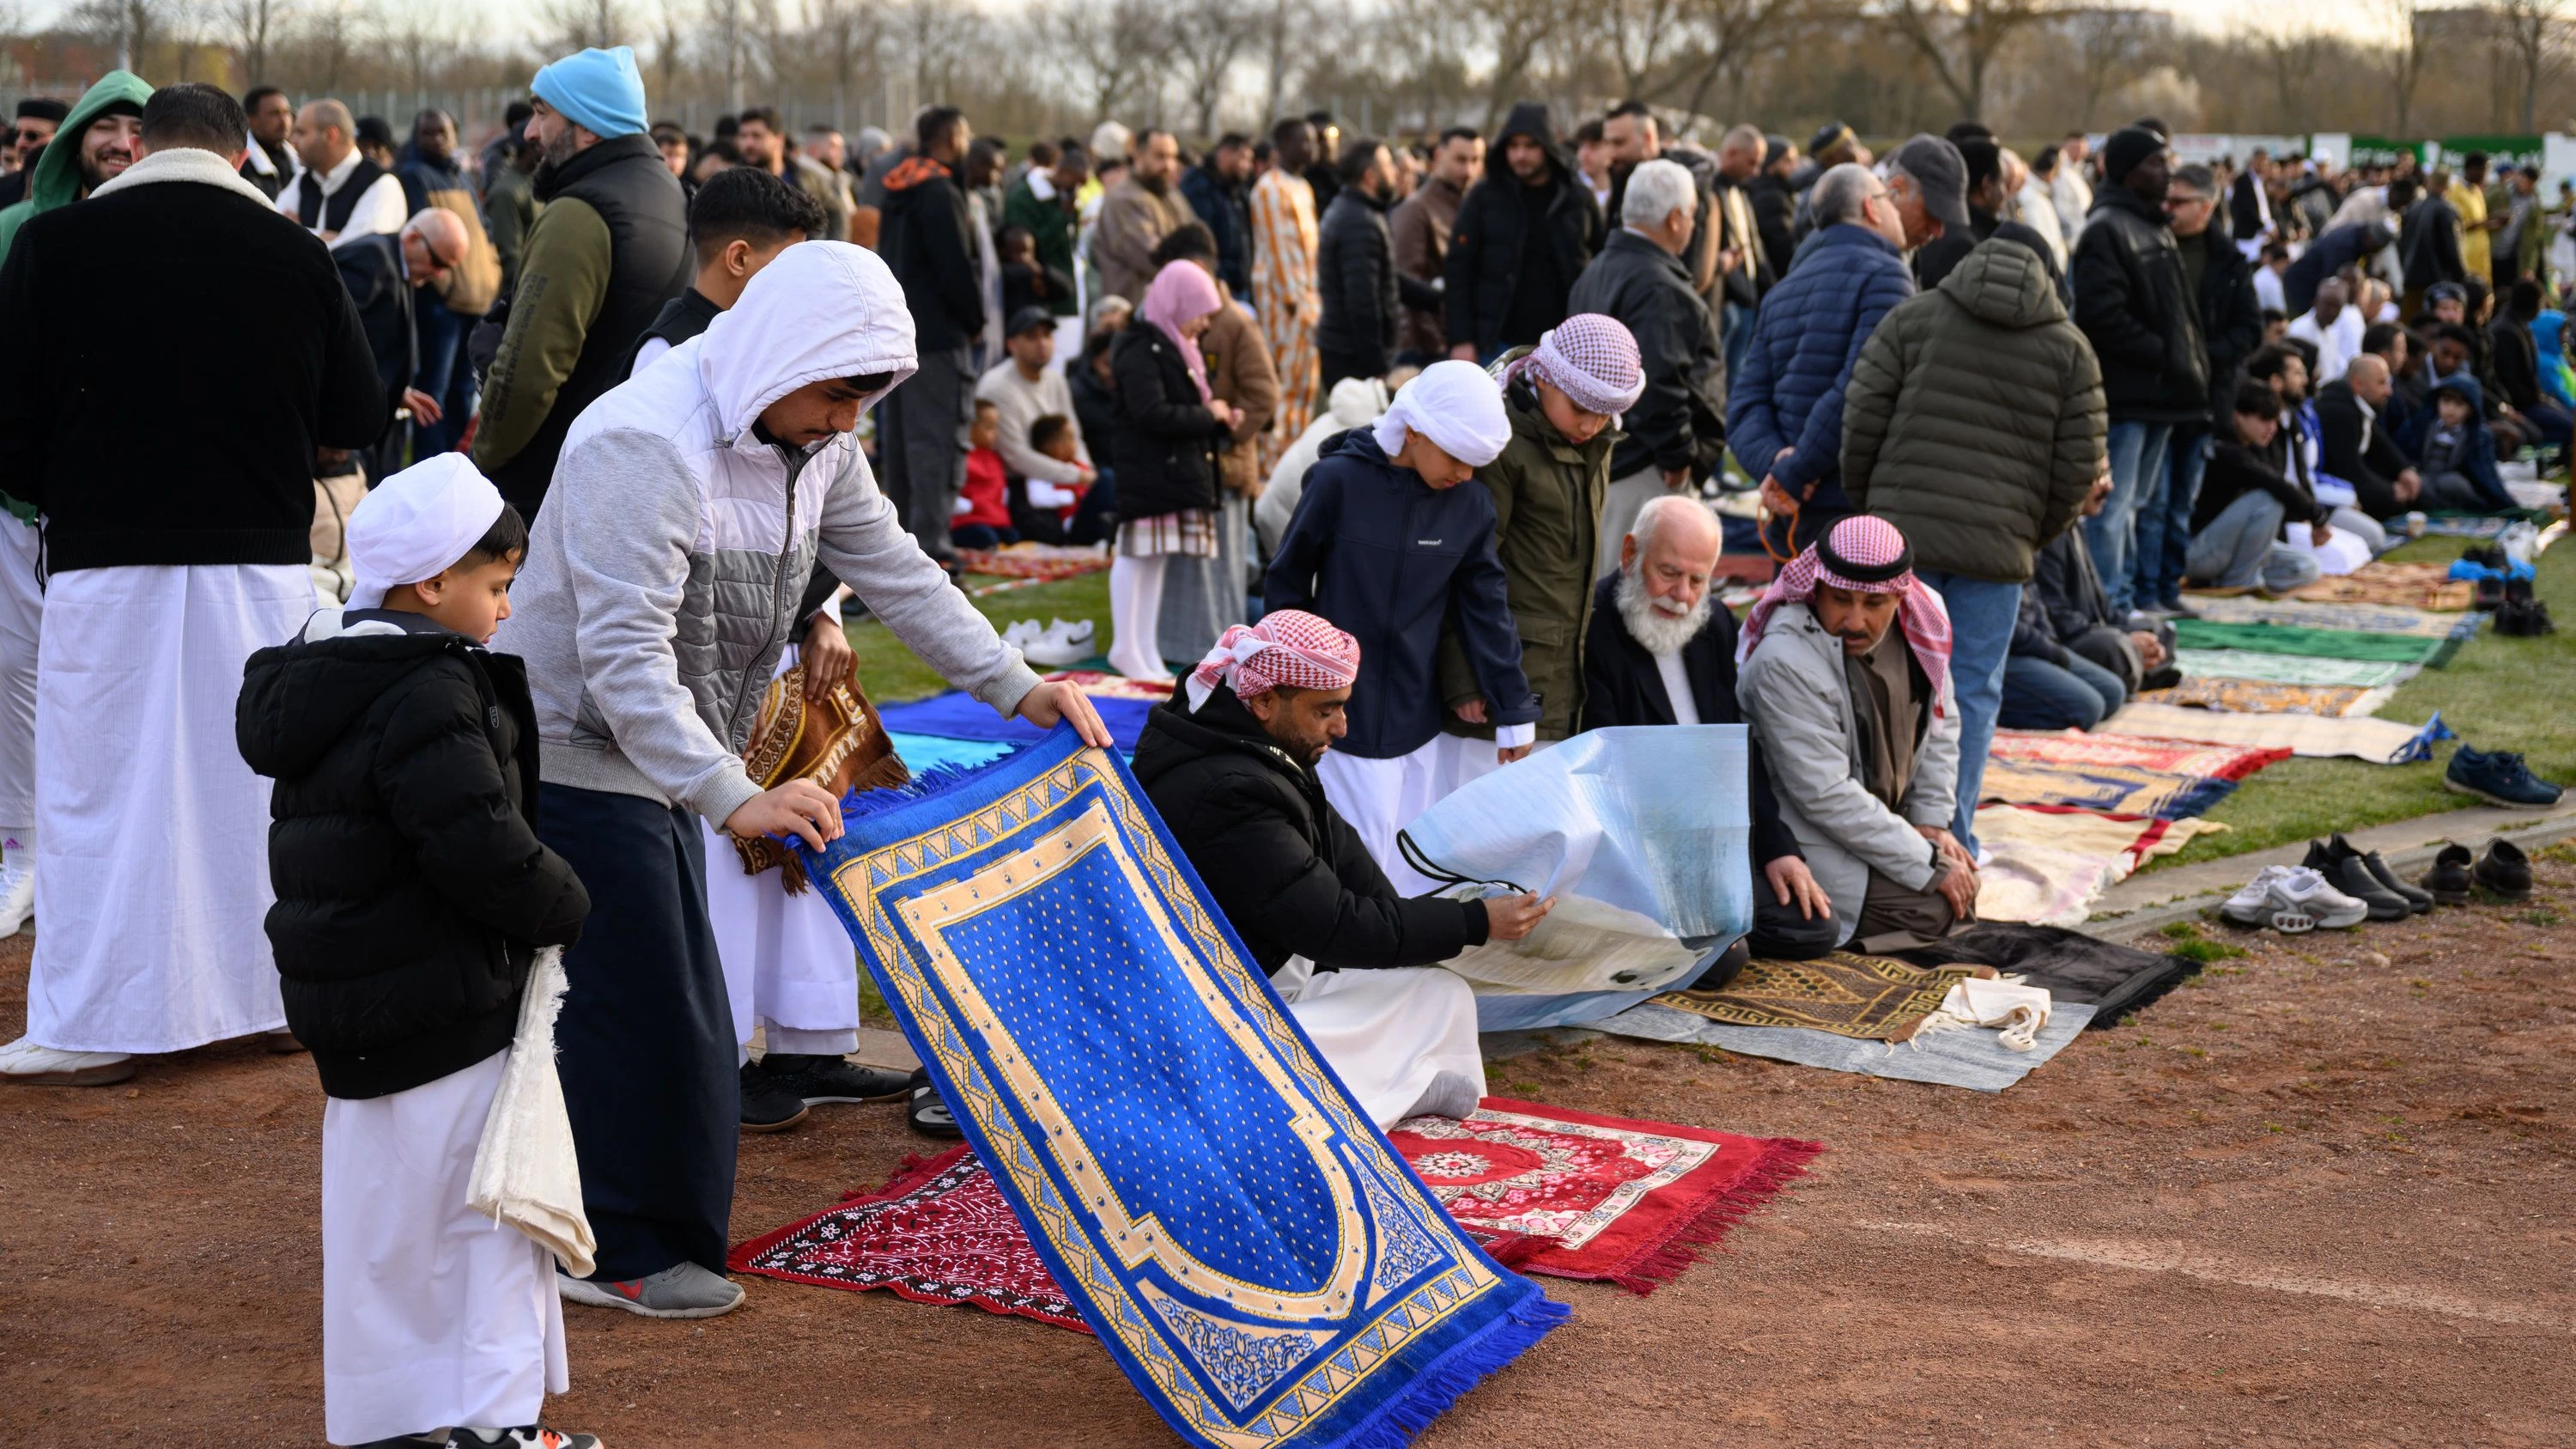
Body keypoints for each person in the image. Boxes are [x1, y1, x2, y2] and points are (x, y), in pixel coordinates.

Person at [493, 240, 1109, 1318]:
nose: (845, 420)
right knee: (646, 1012)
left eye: (863, 400)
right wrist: (734, 794)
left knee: (663, 1005)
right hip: (580, 748)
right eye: (835, 394)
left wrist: (1021, 688)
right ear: (782, 353)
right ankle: (605, 1248)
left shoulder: (815, 443)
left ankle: (619, 1232)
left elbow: (900, 573)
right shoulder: (646, 441)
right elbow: (624, 661)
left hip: (665, 751)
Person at [0, 82, 389, 1087]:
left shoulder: (55, 246)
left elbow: (8, 426)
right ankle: (268, 1001)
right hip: (256, 561)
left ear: (139, 142)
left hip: (104, 554)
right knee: (256, 786)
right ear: (239, 154)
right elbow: (353, 408)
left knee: (100, 787)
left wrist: (72, 489)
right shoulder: (297, 252)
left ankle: (96, 1016)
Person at [236, 456, 598, 1449]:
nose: (507, 609)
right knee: (488, 1218)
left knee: (385, 1228)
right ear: (433, 584)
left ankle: (388, 1417)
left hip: (364, 1004)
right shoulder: (426, 684)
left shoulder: (323, 663)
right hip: (445, 998)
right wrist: (563, 904)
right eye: (496, 586)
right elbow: (478, 841)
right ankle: (492, 1422)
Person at [1132, 612, 1552, 1128]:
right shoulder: (1229, 790)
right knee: (1277, 1058)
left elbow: (1348, 863)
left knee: (1441, 993)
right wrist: (1475, 923)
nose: (1342, 726)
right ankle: (1291, 1108)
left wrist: (1430, 925)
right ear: (1264, 701)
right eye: (1326, 710)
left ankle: (1388, 1087)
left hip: (1268, 974)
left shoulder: (1260, 750)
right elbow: (1333, 925)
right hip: (1209, 1010)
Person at [1840, 226, 2104, 857]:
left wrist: (1873, 514)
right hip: (1996, 551)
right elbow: (2078, 470)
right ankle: (1952, 832)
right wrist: (2025, 535)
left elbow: (1861, 421)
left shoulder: (1914, 319)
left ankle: (1877, 830)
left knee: (1882, 681)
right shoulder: (2069, 348)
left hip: (1901, 540)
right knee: (1974, 693)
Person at [1266, 360, 1533, 891]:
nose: (1464, 474)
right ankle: (1339, 961)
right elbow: (1286, 583)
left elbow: (1485, 608)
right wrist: (1290, 681)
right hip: (1336, 714)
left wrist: (1514, 705)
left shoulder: (1471, 505)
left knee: (1409, 856)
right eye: (1457, 457)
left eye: (1476, 464)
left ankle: (1397, 951)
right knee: (1347, 855)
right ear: (1413, 431)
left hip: (1418, 715)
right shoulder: (1337, 482)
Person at [1577, 494, 1832, 958]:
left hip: (1712, 845)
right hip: (1639, 853)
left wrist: (1777, 848)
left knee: (1812, 927)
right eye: (1670, 573)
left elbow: (1737, 749)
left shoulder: (1712, 623)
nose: (1682, 596)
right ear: (1631, 553)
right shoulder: (1593, 625)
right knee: (1725, 960)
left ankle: (1709, 931)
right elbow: (1605, 778)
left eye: (1698, 580)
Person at [1735, 515, 1971, 954]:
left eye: (1873, 604)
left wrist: (1931, 822)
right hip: (1811, 837)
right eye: (1841, 599)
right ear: (1817, 587)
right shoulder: (1785, 662)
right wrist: (1927, 864)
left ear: (1899, 597)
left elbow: (1941, 722)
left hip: (1885, 824)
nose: (1855, 621)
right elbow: (1825, 794)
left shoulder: (1921, 620)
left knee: (1961, 885)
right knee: (1937, 907)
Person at [473, 46, 690, 521]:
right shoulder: (671, 192)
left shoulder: (579, 212)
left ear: (587, 127)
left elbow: (529, 371)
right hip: (634, 475)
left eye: (541, 114)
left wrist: (483, 458)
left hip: (551, 487)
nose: (531, 132)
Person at [1433, 315, 1643, 785]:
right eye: (1579, 408)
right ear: (1544, 378)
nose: (1591, 425)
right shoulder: (1500, 442)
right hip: (1492, 683)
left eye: (1603, 413)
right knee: (1477, 831)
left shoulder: (1595, 439)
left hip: (1557, 678)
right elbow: (1464, 567)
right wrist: (1463, 676)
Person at [1728, 162, 1916, 563]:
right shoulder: (1887, 275)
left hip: (1789, 505)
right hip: (1848, 511)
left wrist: (1774, 462)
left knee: (1791, 624)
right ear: (1871, 207)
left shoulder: (1782, 290)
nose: (1898, 212)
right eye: (1890, 200)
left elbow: (1745, 405)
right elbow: (1861, 388)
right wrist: (1794, 470)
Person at [2071, 126, 2206, 615]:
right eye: (2156, 163)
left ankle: (2128, 599)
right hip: (2129, 394)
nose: (2167, 172)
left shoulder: (2152, 224)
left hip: (2159, 394)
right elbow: (2101, 316)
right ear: (2130, 171)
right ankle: (2110, 607)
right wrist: (2164, 354)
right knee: (2113, 509)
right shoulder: (2107, 227)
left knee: (2138, 506)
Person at [1568, 157, 1723, 580]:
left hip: (1609, 457)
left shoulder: (1599, 269)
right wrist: (1678, 451)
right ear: (1676, 219)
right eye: (1692, 216)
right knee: (1640, 598)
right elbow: (1659, 384)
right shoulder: (1656, 284)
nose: (1692, 227)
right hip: (1643, 466)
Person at [2134, 161, 2263, 618]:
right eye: (2167, 200)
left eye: (2179, 202)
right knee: (2152, 501)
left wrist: (2202, 357)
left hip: (2205, 401)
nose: (2168, 208)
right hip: (2157, 395)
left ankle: (2167, 587)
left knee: (2180, 501)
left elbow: (2250, 328)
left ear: (2206, 207)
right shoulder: (2152, 246)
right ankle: (2145, 592)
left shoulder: (2228, 261)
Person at [1107, 261, 1242, 679]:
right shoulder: (1140, 345)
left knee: (1155, 560)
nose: (1203, 324)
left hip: (1164, 474)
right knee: (1136, 556)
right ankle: (1125, 646)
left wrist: (1213, 416)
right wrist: (1208, 415)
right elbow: (1151, 412)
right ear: (1177, 304)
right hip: (1149, 472)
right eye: (1199, 312)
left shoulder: (1172, 347)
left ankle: (1143, 647)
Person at [1151, 224, 1279, 666]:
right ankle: (1183, 651)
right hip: (1187, 468)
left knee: (1220, 576)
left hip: (1224, 469)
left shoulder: (1234, 322)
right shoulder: (1165, 322)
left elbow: (1264, 395)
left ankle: (1225, 654)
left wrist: (1221, 433)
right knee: (1189, 572)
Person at [876, 104, 987, 563]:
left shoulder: (898, 189)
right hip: (938, 342)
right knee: (936, 446)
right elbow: (954, 268)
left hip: (899, 337)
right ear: (953, 137)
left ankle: (900, 554)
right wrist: (975, 323)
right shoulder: (939, 191)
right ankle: (931, 552)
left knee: (902, 450)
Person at [625, 164, 825, 378]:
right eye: (787, 262)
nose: (795, 278)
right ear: (738, 259)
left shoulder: (754, 332)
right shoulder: (666, 354)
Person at [1445, 102, 1600, 367]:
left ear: (1547, 146)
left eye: (1530, 146)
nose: (1520, 155)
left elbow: (1597, 265)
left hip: (1564, 346)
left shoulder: (1577, 200)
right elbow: (1458, 269)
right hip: (1496, 343)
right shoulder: (1483, 198)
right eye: (1513, 146)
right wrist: (1461, 338)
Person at [337, 209, 471, 479]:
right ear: (412, 238)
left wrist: (400, 392)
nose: (438, 274)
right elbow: (339, 340)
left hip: (371, 422)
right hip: (347, 429)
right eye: (437, 262)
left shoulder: (396, 263)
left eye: (446, 269)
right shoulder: (371, 257)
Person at [976, 306, 1107, 545]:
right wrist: (1078, 476)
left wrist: (1087, 473)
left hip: (1062, 477)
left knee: (1107, 482)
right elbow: (1016, 456)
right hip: (1020, 486)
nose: (1042, 343)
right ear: (1012, 344)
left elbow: (1074, 435)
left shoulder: (1055, 379)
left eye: (1047, 336)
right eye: (1032, 336)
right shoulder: (997, 386)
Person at [2184, 382, 2327, 596]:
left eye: (2274, 421)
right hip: (2201, 550)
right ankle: (2238, 582)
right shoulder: (2224, 449)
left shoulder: (2254, 447)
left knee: (2307, 566)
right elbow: (2277, 485)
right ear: (2238, 416)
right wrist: (2318, 516)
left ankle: (2233, 578)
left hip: (2230, 549)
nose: (2272, 428)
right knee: (2268, 500)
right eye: (2264, 420)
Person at [1316, 137, 1434, 389]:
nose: (1395, 172)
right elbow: (1362, 302)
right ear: (1370, 177)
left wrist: (1435, 299)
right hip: (1353, 359)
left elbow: (1387, 278)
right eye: (1389, 165)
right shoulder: (1359, 221)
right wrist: (1377, 368)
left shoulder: (1358, 211)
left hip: (1348, 352)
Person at [0, 70, 148, 262]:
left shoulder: (177, 233)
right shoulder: (13, 228)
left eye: (139, 131)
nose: (122, 144)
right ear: (76, 142)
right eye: (105, 127)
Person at [1251, 118, 1324, 465]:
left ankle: (1294, 460)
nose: (1312, 148)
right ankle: (1271, 463)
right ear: (1283, 146)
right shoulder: (1269, 188)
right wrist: (1295, 303)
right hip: (1285, 307)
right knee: (1281, 387)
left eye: (1314, 141)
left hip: (1309, 302)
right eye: (1304, 141)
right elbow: (1277, 249)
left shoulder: (1303, 187)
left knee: (1303, 387)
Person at [1392, 126, 1478, 362]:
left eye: (1475, 160)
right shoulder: (1417, 209)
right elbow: (1404, 287)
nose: (1468, 170)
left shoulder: (1473, 206)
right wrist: (1435, 349)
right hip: (1430, 350)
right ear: (1439, 156)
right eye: (1460, 159)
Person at [276, 99, 408, 244]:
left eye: (301, 132)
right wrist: (325, 237)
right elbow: (270, 234)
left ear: (331, 135)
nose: (293, 140)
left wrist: (298, 232)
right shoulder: (303, 181)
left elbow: (358, 251)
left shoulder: (382, 185)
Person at [2313, 351, 2423, 521]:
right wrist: (2390, 491)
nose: (2388, 391)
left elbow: (2379, 443)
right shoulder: (2338, 413)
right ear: (2358, 384)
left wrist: (2404, 469)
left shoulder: (2353, 403)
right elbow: (2349, 470)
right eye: (2381, 383)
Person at [1094, 127, 1190, 314]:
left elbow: (1198, 238)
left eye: (1172, 157)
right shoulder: (1123, 199)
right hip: (1134, 315)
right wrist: (1191, 263)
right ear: (1137, 155)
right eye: (1160, 156)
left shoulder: (1170, 194)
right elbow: (1153, 257)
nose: (1169, 166)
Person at [1002, 143, 1086, 330]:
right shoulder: (1023, 198)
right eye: (1077, 182)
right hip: (1039, 297)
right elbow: (1032, 249)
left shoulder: (1064, 196)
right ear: (1064, 173)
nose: (1079, 188)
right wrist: (1062, 216)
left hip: (1065, 294)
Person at [2414, 374, 2515, 512]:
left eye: (2459, 404)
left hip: (2452, 482)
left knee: (2452, 483)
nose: (2450, 409)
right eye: (2446, 401)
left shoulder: (2477, 435)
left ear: (2471, 409)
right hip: (2424, 476)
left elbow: (2485, 472)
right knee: (2420, 485)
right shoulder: (2424, 424)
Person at [1179, 131, 1254, 299]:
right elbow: (1202, 241)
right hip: (1218, 286)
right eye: (1244, 158)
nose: (1247, 166)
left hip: (1240, 283)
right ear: (1226, 153)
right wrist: (1219, 279)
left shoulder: (1237, 191)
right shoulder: (1199, 188)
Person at [2283, 217, 2396, 316]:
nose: (2377, 251)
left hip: (2316, 287)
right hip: (2301, 286)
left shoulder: (2362, 241)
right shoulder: (2344, 246)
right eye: (2377, 247)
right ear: (2370, 238)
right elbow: (2330, 282)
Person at [951, 399, 1018, 549]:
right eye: (989, 428)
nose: (995, 434)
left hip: (994, 518)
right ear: (970, 427)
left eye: (996, 428)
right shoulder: (963, 457)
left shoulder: (993, 457)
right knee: (985, 537)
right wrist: (967, 506)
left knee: (1012, 537)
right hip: (968, 519)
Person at [2288, 277, 2366, 384]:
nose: (2332, 312)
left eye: (2337, 307)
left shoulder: (2331, 333)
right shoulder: (2299, 329)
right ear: (2316, 302)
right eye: (2328, 305)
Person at [237, 86, 294, 200]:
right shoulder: (239, 164)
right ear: (251, 120)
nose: (284, 121)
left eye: (286, 112)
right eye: (274, 113)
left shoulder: (300, 162)